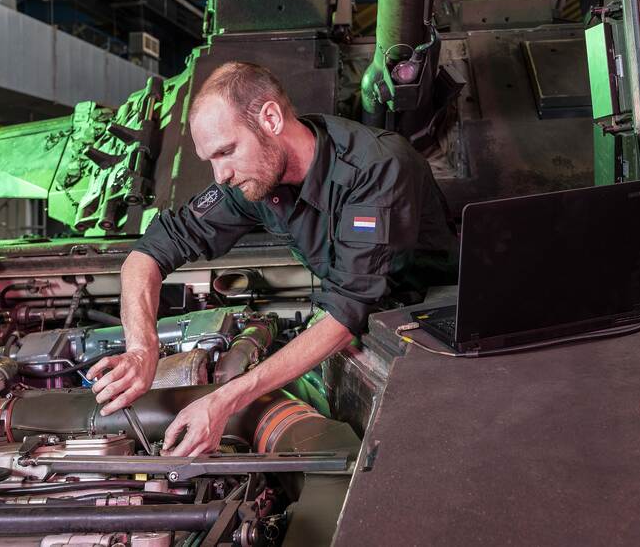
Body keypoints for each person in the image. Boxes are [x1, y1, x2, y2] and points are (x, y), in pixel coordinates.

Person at [86, 61, 457, 456]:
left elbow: (349, 310)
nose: (220, 175)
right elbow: (147, 254)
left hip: (434, 323)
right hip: (357, 318)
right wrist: (143, 350)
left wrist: (225, 400)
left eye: (226, 151)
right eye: (210, 159)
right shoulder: (252, 178)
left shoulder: (378, 167)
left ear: (271, 118)